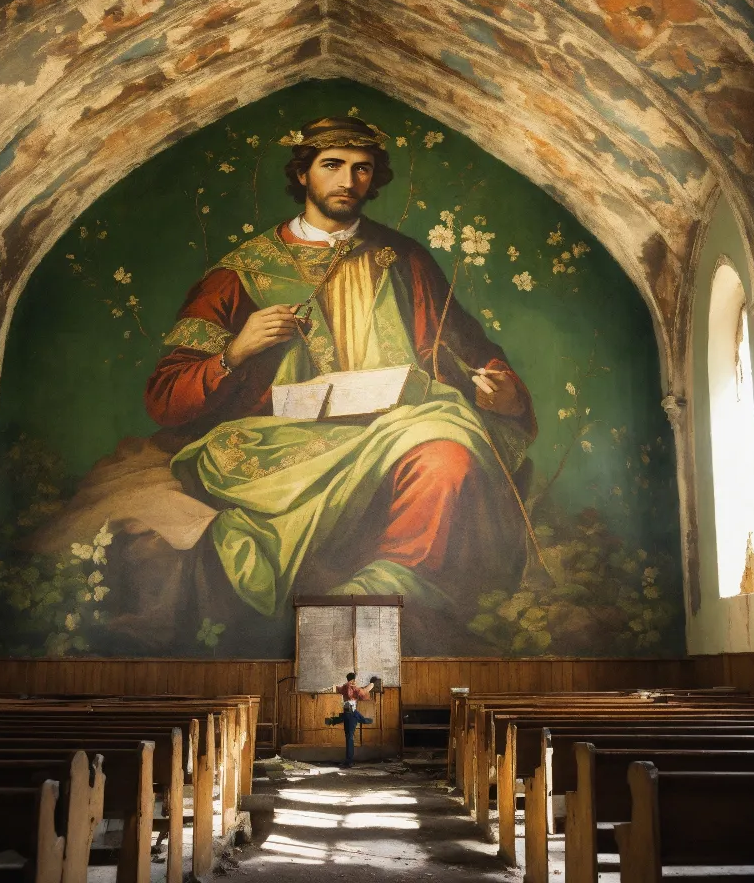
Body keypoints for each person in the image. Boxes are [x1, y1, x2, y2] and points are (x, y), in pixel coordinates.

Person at [144, 116, 537, 641]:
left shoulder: (405, 259)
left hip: (400, 425)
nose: (348, 181)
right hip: (276, 438)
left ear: (374, 180)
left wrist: (504, 391)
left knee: (450, 455)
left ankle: (383, 591)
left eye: (362, 169)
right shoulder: (240, 272)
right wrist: (236, 352)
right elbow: (167, 397)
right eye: (332, 166)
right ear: (303, 174)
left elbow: (470, 349)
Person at [326, 672, 374, 767]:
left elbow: (337, 689)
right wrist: (371, 684)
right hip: (351, 712)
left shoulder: (344, 687)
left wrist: (333, 685)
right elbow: (363, 693)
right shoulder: (353, 688)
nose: (355, 682)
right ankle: (349, 761)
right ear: (352, 680)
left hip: (347, 711)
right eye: (355, 680)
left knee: (349, 735)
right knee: (350, 737)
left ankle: (334, 721)